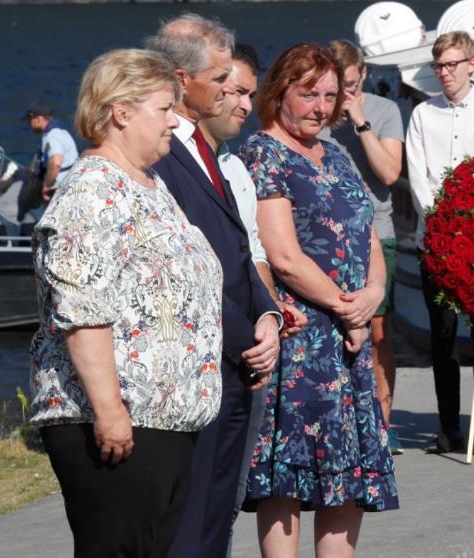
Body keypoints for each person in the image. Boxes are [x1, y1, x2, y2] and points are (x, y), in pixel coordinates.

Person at [29, 48, 223, 557]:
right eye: (165, 108)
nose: (176, 120)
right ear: (121, 111)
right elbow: (82, 310)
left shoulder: (150, 186)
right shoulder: (91, 191)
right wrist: (110, 410)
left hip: (163, 424)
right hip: (119, 425)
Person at [241, 43, 399, 557]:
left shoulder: (334, 151)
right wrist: (345, 306)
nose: (321, 107)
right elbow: (282, 256)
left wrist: (372, 296)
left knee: (346, 476)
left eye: (330, 96)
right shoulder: (263, 153)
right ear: (278, 92)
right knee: (288, 479)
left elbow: (369, 237)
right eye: (308, 94)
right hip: (302, 338)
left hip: (350, 338)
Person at [146, 14, 283, 558]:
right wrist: (247, 336)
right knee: (189, 517)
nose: (231, 90)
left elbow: (240, 248)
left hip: (235, 360)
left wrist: (269, 314)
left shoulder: (213, 156)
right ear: (183, 79)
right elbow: (183, 263)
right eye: (221, 76)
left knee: (218, 515)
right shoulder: (161, 155)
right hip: (197, 361)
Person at [195, 43, 309, 556]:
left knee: (224, 498)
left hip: (249, 346)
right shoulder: (181, 167)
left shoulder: (234, 169)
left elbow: (252, 257)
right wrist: (249, 334)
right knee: (195, 507)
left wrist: (269, 316)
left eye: (246, 92)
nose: (240, 102)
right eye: (232, 90)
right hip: (211, 353)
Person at [406, 31, 474, 453]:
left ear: (472, 64)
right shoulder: (422, 114)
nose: (445, 74)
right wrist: (444, 220)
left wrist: (466, 221)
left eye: (452, 65)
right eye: (439, 66)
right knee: (443, 336)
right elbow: (418, 176)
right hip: (435, 238)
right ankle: (448, 425)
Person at [318, 39, 405, 455]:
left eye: (350, 85)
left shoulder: (385, 111)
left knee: (377, 333)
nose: (342, 95)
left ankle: (383, 424)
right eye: (337, 87)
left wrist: (359, 120)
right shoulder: (315, 111)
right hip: (326, 237)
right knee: (332, 331)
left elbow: (389, 174)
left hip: (377, 230)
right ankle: (342, 420)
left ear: (363, 76)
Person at [23, 100, 79, 203]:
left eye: (29, 120)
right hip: (72, 182)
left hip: (59, 187)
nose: (28, 124)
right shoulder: (63, 132)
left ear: (39, 119)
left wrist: (46, 186)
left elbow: (56, 162)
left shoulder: (52, 136)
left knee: (20, 180)